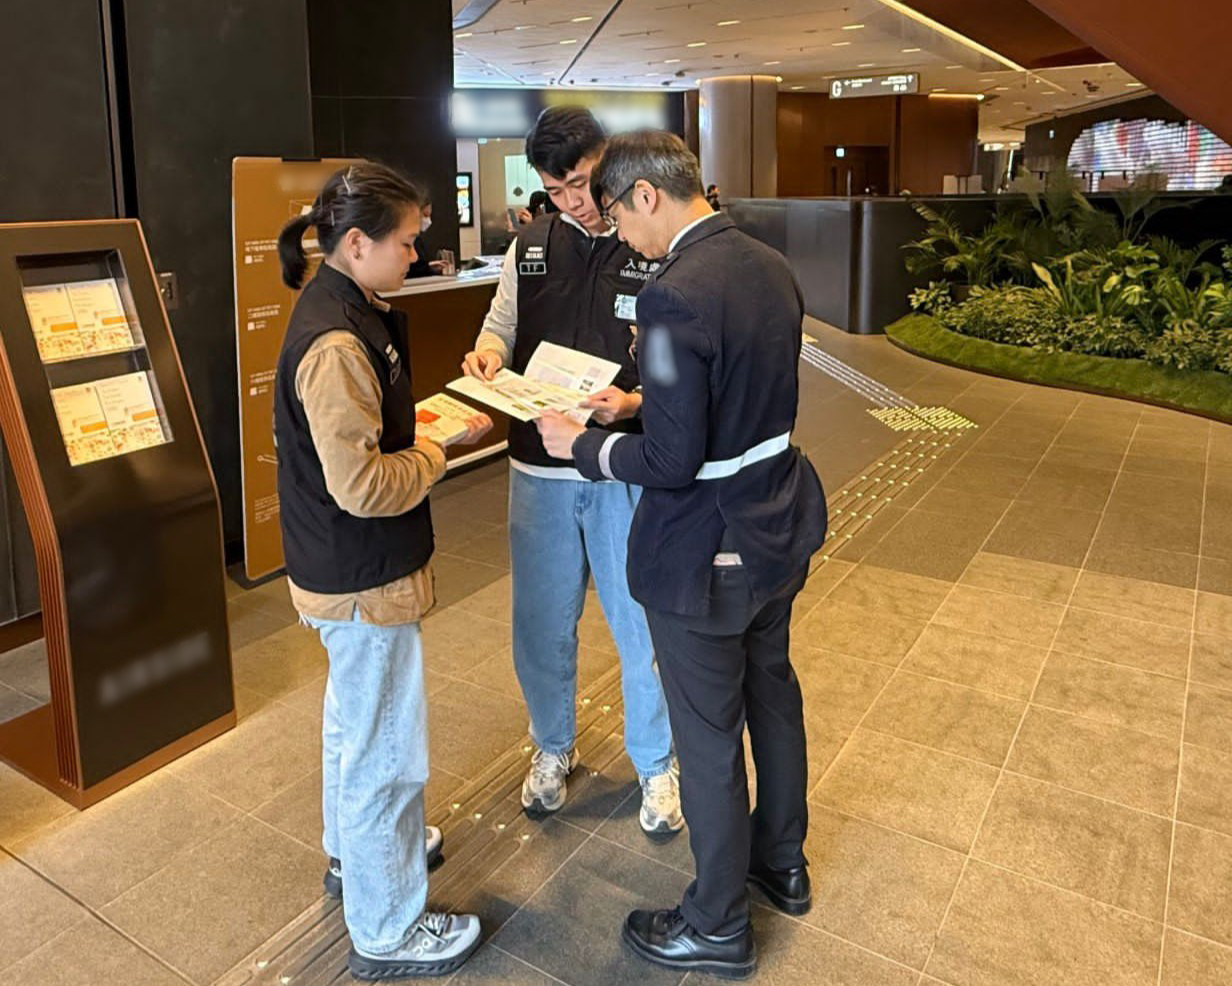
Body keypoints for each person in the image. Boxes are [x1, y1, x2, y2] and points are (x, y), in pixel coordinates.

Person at [538, 131, 827, 978]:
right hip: (776, 527)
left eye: (619, 216)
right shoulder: (768, 264)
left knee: (706, 736)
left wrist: (582, 446)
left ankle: (716, 922)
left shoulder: (672, 294)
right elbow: (732, 389)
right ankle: (783, 865)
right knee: (773, 698)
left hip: (708, 551)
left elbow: (671, 463)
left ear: (647, 196)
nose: (622, 236)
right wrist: (639, 402)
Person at [275, 162, 492, 981]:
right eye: (405, 242)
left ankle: (354, 855)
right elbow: (362, 486)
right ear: (357, 243)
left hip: (340, 565)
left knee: (354, 725)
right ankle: (389, 925)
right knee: (386, 754)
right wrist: (439, 447)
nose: (416, 256)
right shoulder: (336, 343)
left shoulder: (345, 306)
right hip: (360, 575)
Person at [461, 106, 682, 838]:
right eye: (555, 191)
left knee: (640, 621)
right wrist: (488, 355)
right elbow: (500, 326)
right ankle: (553, 746)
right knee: (541, 624)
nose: (573, 203)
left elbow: (682, 358)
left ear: (607, 161)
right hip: (538, 468)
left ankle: (656, 763)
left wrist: (637, 405)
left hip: (622, 465)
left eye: (582, 184)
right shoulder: (530, 245)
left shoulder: (647, 238)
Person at [404, 199, 451, 278]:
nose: (428, 220)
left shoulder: (418, 240)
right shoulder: (407, 237)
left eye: (429, 216)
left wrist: (428, 267)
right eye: (425, 215)